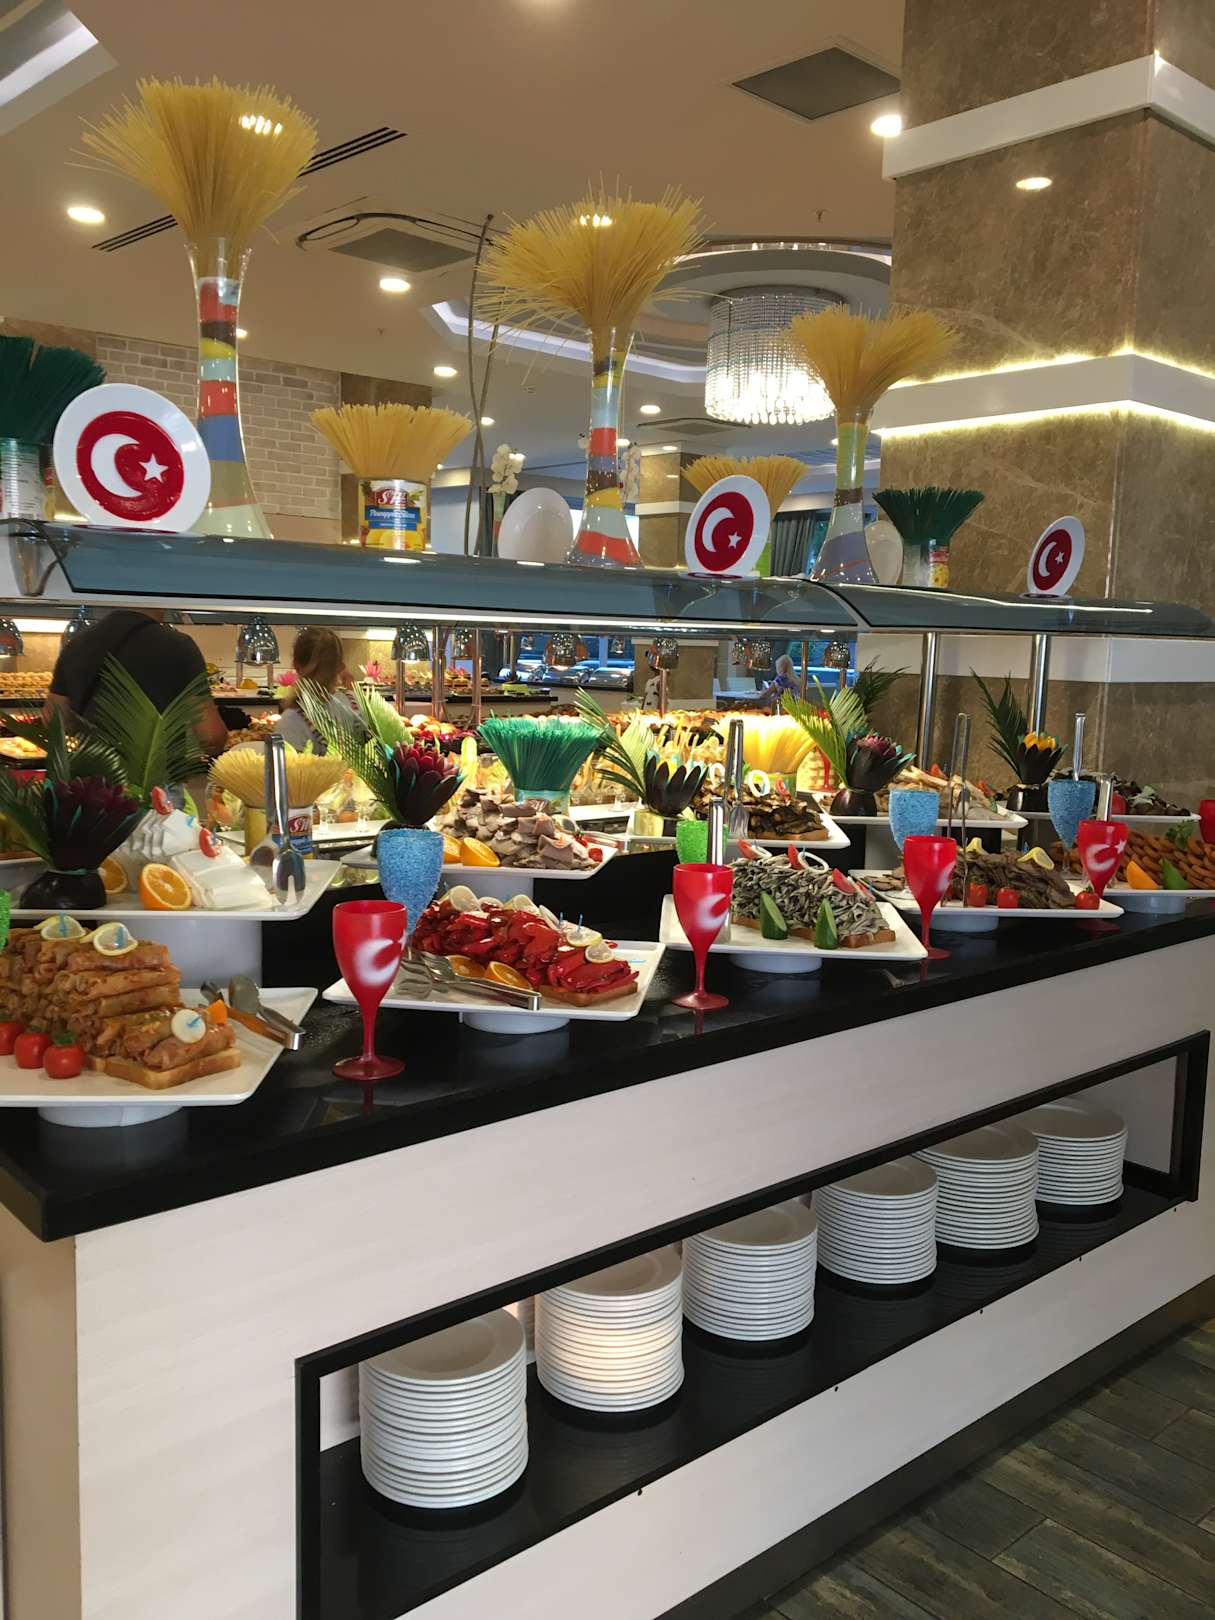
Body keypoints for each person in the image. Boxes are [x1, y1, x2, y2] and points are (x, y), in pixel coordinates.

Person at [47, 606, 228, 755]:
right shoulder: (178, 646)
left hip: (92, 778)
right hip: (157, 778)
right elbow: (210, 736)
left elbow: (54, 720)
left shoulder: (77, 643)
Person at [277, 626, 362, 754]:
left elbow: (284, 764)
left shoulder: (292, 721)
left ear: (296, 665)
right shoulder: (354, 703)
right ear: (340, 666)